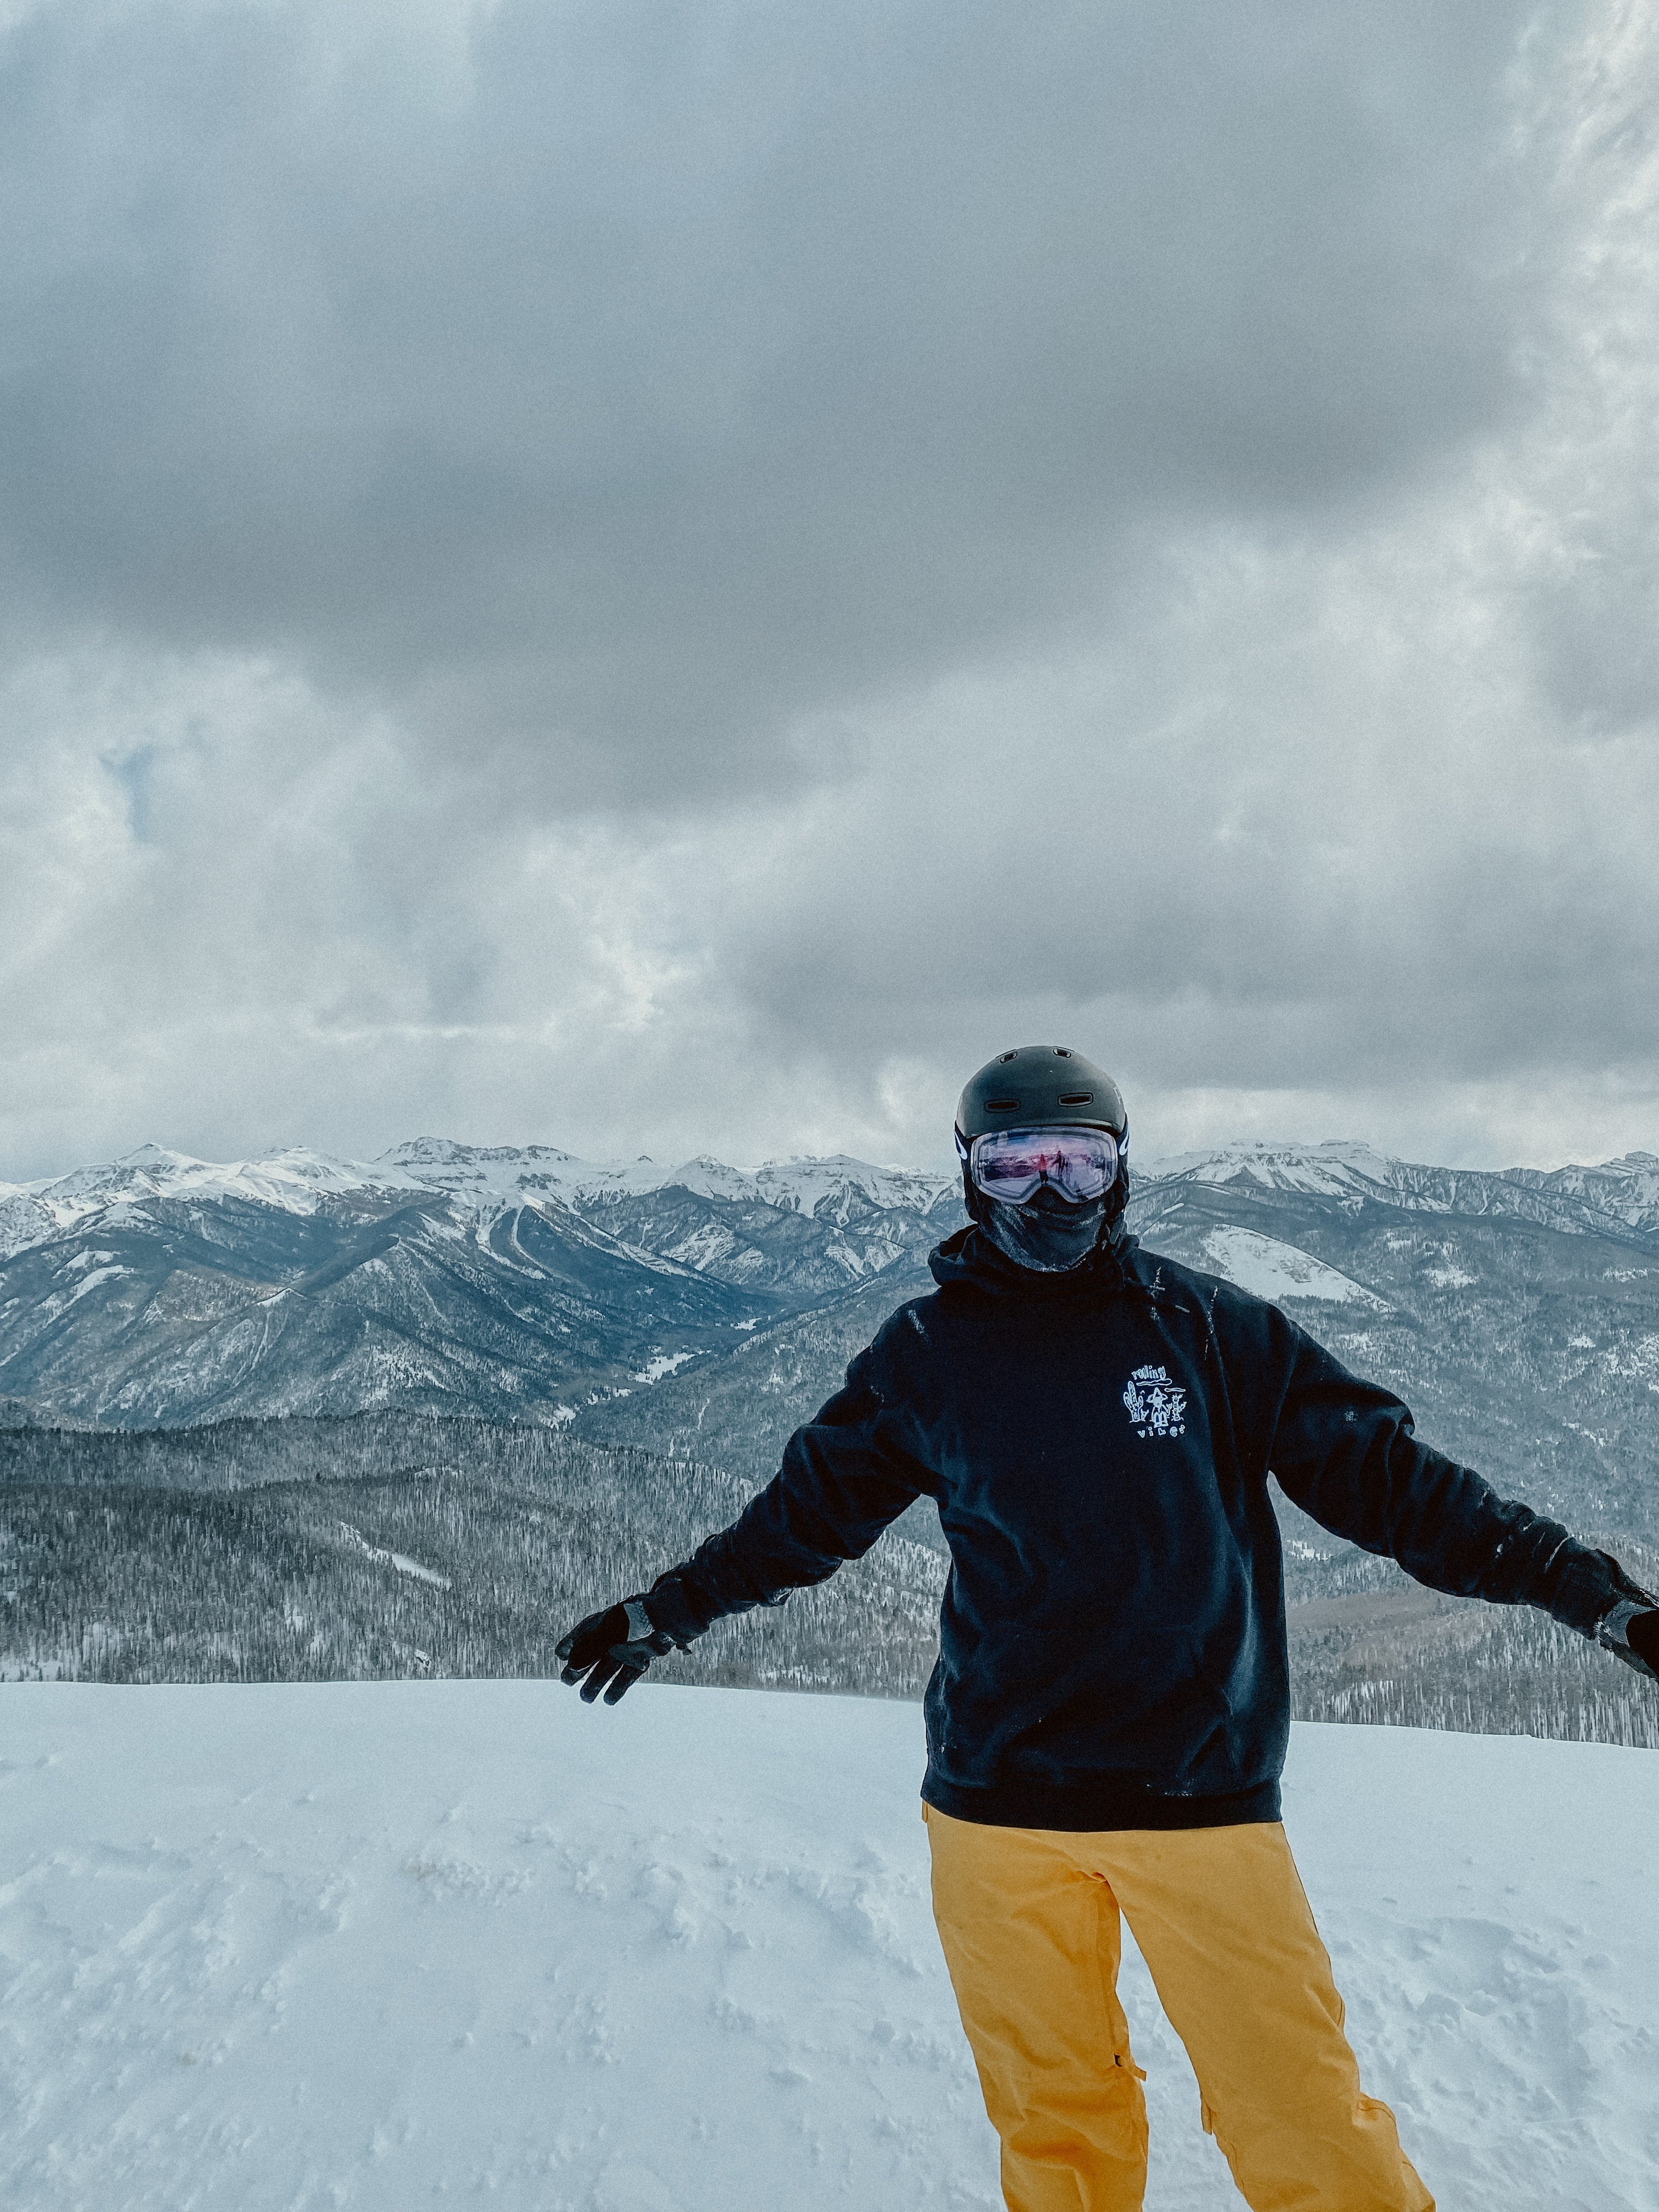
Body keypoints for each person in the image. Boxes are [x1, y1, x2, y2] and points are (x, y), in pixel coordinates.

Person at [556, 1045, 1659, 2212]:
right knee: (1054, 2120)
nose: (1048, 1195)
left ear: (1121, 1174)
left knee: (1297, 2113)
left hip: (1200, 1800)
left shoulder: (1214, 1331)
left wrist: (1593, 1596)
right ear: (971, 1179)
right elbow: (802, 1522)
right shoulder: (928, 1356)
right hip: (994, 1811)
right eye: (1015, 1164)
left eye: (1077, 1164)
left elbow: (1401, 1487)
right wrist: (662, 1615)